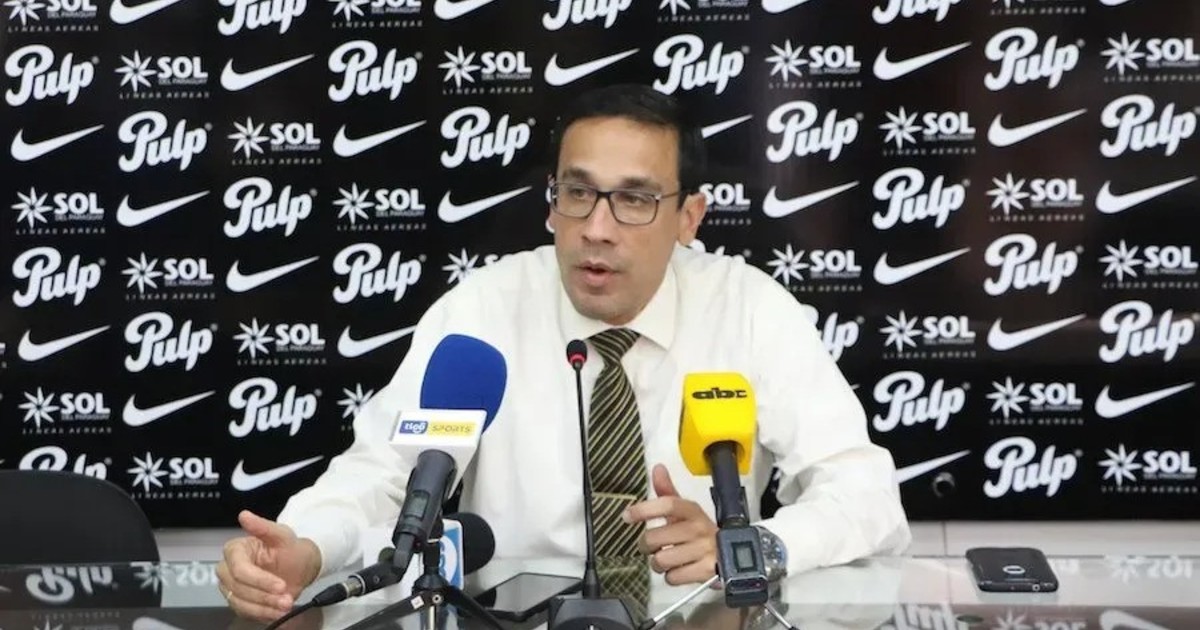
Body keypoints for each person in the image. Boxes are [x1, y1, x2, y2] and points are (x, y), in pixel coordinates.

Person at [216, 83, 912, 622]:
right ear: (551, 204)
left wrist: (752, 547)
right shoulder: (483, 310)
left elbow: (865, 495)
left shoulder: (749, 308)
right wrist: (305, 545)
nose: (597, 228)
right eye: (577, 193)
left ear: (689, 218)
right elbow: (382, 474)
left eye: (634, 200)